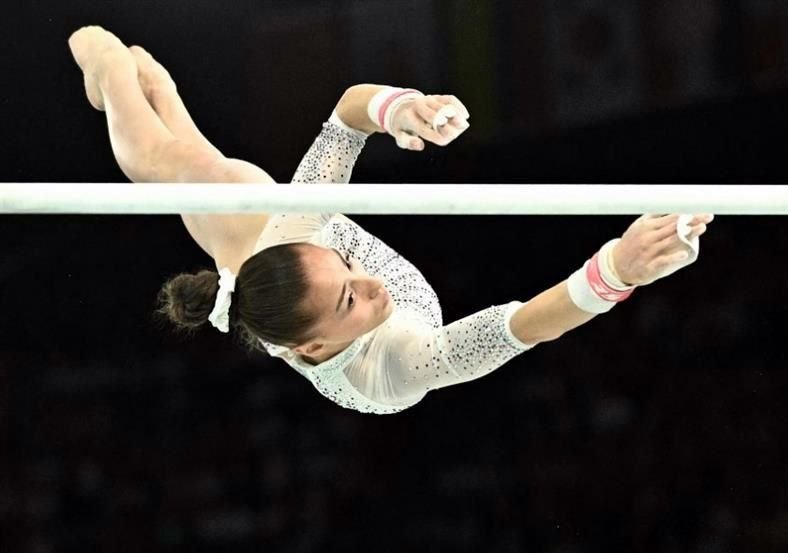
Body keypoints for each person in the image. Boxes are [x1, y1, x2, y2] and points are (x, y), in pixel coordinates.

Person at [68, 26, 713, 414]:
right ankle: (144, 80)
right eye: (352, 292)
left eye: (350, 275)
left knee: (163, 164)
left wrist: (401, 109)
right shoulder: (402, 363)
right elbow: (523, 327)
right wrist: (617, 272)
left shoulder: (295, 239)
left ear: (313, 347)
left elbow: (345, 115)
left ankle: (97, 54)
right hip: (272, 254)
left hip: (253, 238)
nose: (372, 283)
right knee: (194, 163)